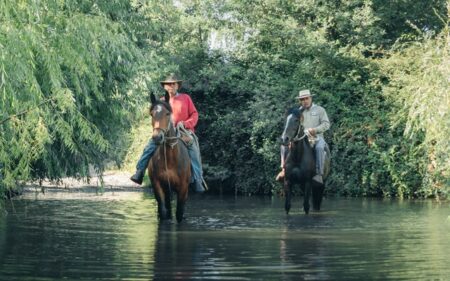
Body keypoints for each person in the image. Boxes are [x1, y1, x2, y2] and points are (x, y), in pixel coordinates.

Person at [130, 74, 206, 193]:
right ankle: (139, 171)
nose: (171, 86)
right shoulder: (161, 101)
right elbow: (156, 117)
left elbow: (195, 115)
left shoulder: (186, 98)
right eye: (168, 84)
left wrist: (185, 124)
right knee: (150, 146)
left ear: (177, 86)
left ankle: (197, 179)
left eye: (173, 84)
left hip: (183, 131)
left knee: (193, 147)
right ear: (165, 87)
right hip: (164, 132)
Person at [276, 89, 330, 184]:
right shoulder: (297, 112)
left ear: (311, 98)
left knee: (320, 148)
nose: (305, 101)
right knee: (284, 146)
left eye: (306, 98)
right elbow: (292, 125)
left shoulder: (320, 110)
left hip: (317, 138)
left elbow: (326, 124)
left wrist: (315, 130)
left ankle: (319, 174)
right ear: (300, 101)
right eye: (302, 99)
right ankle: (283, 170)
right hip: (301, 138)